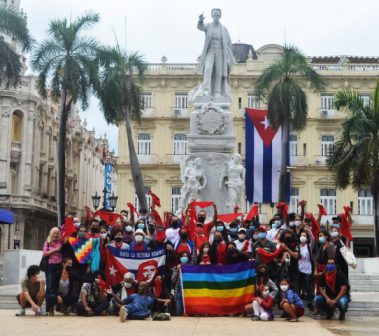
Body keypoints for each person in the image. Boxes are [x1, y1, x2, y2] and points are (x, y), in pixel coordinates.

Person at [43, 227, 63, 312]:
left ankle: (58, 305)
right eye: (54, 233)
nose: (55, 235)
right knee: (49, 286)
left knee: (58, 286)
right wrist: (55, 250)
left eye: (57, 233)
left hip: (59, 265)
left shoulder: (60, 242)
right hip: (50, 266)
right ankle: (48, 306)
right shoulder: (47, 243)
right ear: (51, 234)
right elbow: (44, 254)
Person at [277, 229, 300, 294]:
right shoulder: (281, 246)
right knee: (284, 288)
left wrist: (287, 249)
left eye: (289, 237)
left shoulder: (296, 244)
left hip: (294, 270)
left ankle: (295, 302)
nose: (288, 238)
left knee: (295, 288)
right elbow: (278, 258)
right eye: (286, 237)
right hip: (284, 271)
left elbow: (296, 255)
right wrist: (281, 260)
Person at [298, 227, 315, 310]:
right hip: (298, 269)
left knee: (308, 287)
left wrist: (309, 231)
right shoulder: (297, 247)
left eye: (304, 235)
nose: (302, 237)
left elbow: (313, 240)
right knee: (298, 286)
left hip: (307, 270)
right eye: (301, 235)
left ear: (307, 238)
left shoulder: (309, 246)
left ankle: (309, 302)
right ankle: (297, 302)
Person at [315, 230, 336, 296]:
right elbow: (317, 259)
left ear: (326, 236)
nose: (319, 238)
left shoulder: (331, 245)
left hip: (327, 268)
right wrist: (315, 270)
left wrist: (324, 272)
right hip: (319, 268)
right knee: (319, 287)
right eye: (319, 236)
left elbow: (331, 259)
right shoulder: (321, 247)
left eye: (321, 236)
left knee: (328, 286)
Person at [171, 251, 190, 316]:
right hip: (179, 288)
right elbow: (173, 280)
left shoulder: (191, 268)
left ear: (188, 258)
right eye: (182, 256)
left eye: (185, 256)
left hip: (188, 289)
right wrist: (177, 270)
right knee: (178, 308)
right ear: (180, 258)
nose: (184, 258)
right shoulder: (176, 268)